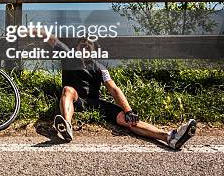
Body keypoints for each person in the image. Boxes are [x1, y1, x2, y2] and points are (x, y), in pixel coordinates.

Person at [39, 29, 196, 150]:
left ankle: (170, 137)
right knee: (68, 89)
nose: (86, 45)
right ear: (76, 47)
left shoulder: (100, 68)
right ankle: (66, 126)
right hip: (76, 99)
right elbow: (52, 39)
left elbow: (113, 89)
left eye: (90, 44)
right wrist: (28, 29)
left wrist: (128, 110)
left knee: (126, 120)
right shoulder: (68, 55)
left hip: (96, 103)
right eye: (82, 43)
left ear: (94, 50)